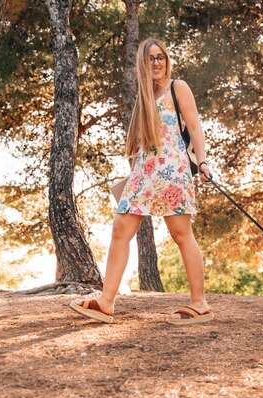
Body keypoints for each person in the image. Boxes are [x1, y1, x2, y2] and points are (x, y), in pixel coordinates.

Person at [69, 38, 214, 325]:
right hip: (144, 171)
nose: (157, 62)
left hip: (172, 168)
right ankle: (105, 302)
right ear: (143, 63)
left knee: (181, 233)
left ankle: (200, 303)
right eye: (151, 58)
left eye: (161, 57)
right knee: (120, 227)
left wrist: (204, 161)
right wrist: (134, 171)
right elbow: (139, 143)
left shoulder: (178, 87)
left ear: (167, 60)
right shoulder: (144, 95)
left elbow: (195, 126)